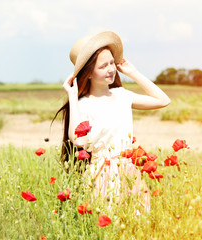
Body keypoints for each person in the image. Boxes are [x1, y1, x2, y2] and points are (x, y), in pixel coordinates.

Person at [54, 30, 170, 212]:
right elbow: (79, 141)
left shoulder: (122, 95)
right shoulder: (84, 104)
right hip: (101, 173)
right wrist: (72, 96)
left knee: (137, 226)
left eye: (111, 63)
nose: (111, 69)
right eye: (103, 66)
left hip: (129, 170)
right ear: (89, 73)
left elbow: (163, 100)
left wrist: (134, 73)